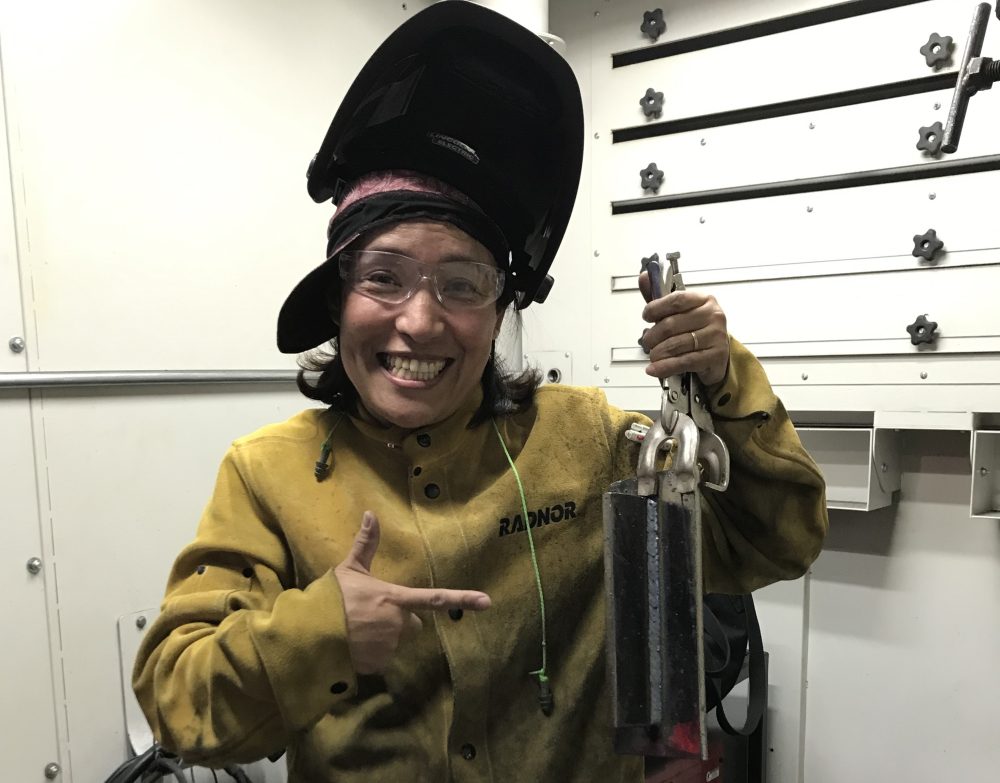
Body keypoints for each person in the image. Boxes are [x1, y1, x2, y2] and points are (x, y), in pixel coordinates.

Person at [132, 3, 827, 782]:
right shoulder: (268, 473)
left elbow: (780, 540)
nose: (420, 320)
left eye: (461, 284)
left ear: (500, 310)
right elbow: (176, 701)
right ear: (337, 299)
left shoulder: (589, 440)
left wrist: (726, 383)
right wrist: (322, 630)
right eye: (383, 276)